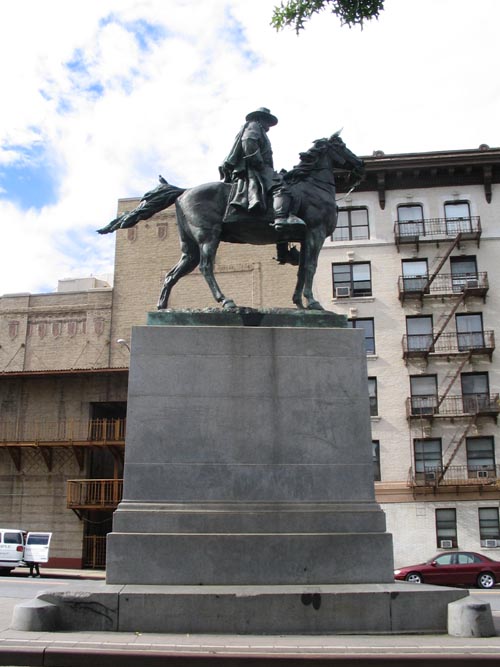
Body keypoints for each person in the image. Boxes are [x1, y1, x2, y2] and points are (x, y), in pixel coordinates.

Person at [219, 107, 306, 233]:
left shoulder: (257, 128)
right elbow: (248, 141)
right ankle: (280, 218)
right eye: (267, 121)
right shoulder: (254, 126)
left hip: (259, 165)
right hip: (254, 166)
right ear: (260, 118)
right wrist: (258, 162)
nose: (269, 126)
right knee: (281, 186)